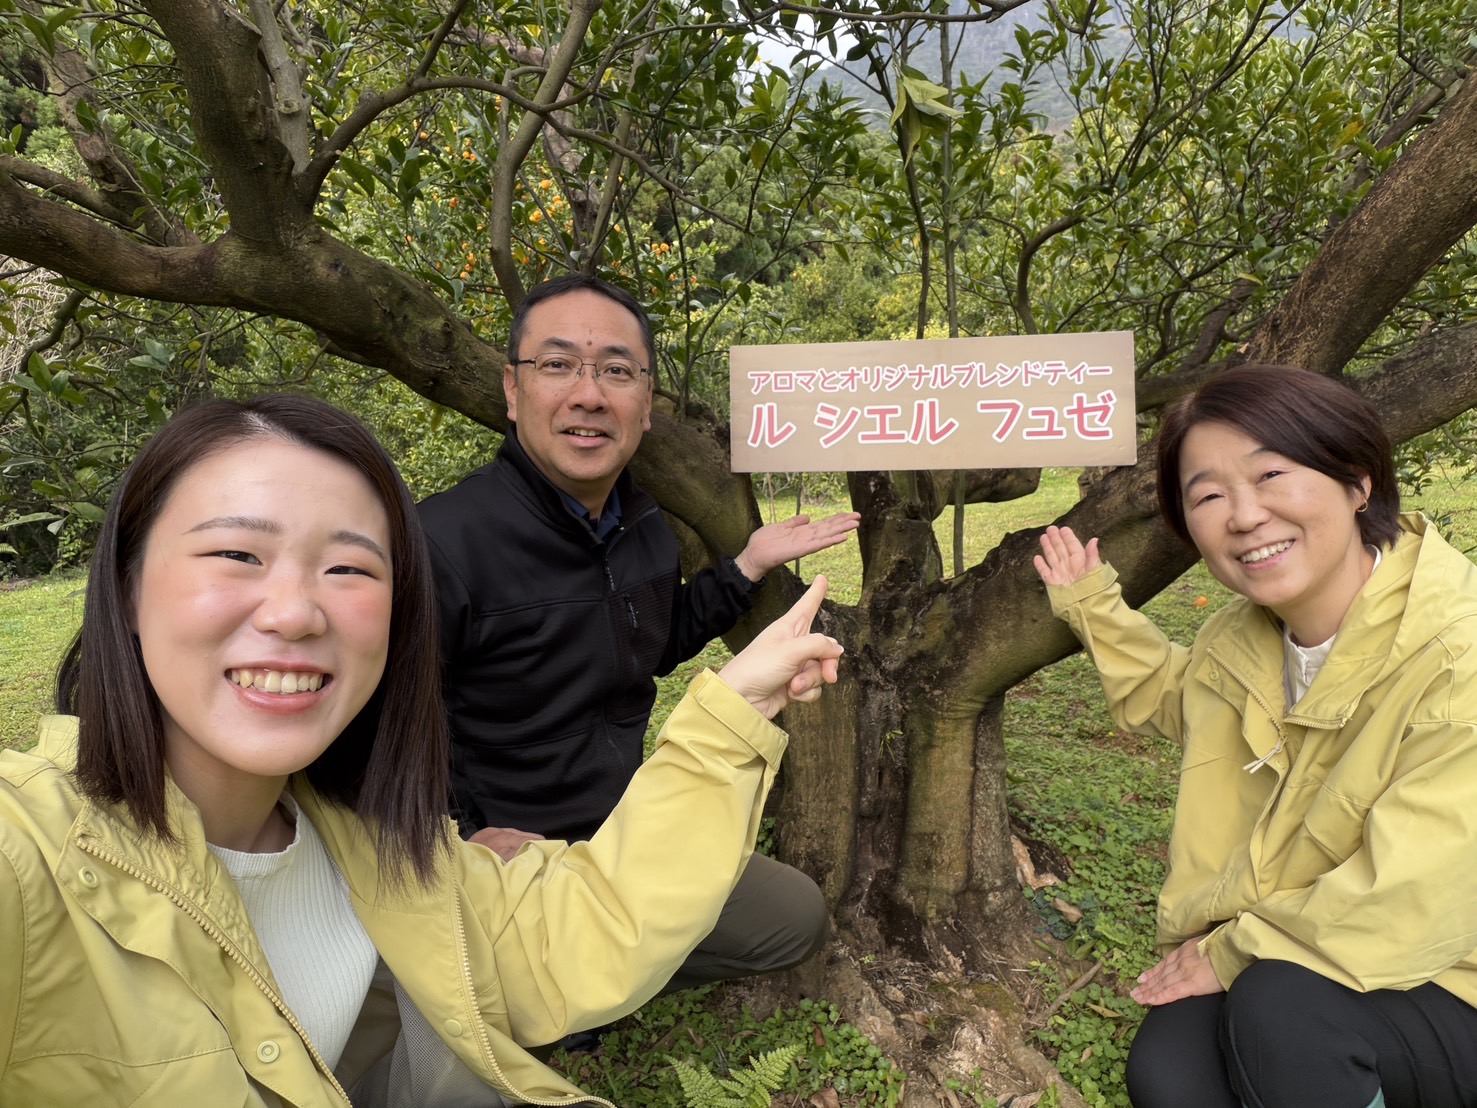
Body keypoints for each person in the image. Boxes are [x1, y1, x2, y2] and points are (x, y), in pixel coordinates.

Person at [0, 394, 844, 1107]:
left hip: (534, 849)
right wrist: (475, 824)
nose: (295, 612)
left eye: (349, 570)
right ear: (126, 588)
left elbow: (655, 647)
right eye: (235, 554)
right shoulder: (25, 856)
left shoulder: (364, 844)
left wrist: (739, 669)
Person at [1031, 364, 1477, 1108]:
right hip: (1299, 956)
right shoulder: (1240, 639)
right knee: (1169, 1071)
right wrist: (1091, 606)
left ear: (1357, 482)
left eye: (1271, 473)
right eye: (1207, 494)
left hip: (1448, 972)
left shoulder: (1456, 655)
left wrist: (1229, 950)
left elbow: (1413, 896)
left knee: (1281, 1009)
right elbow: (1182, 699)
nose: (1242, 516)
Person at [418, 274, 859, 999]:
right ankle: (530, 986)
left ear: (645, 403)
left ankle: (603, 968)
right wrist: (452, 838)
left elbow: (652, 643)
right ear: (511, 389)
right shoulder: (442, 544)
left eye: (616, 371)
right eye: (557, 365)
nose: (588, 394)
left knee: (790, 917)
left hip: (626, 827)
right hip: (504, 857)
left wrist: (744, 566)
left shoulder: (643, 526)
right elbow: (381, 729)